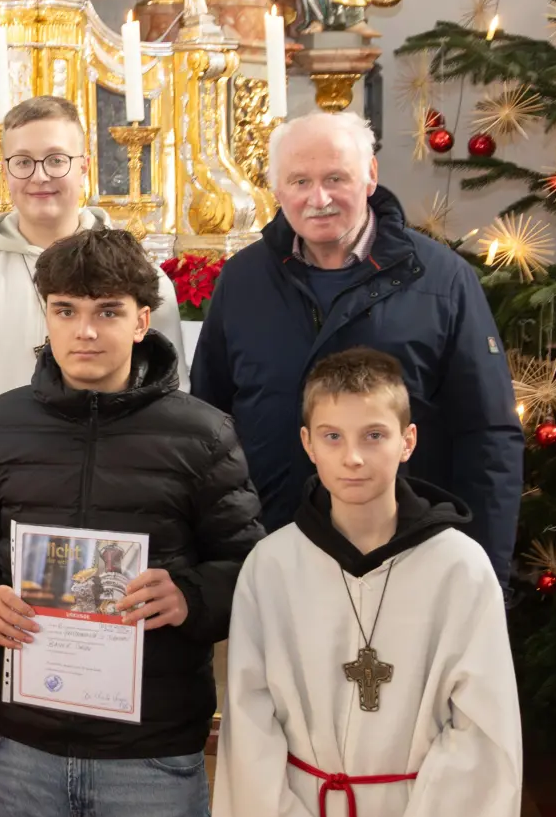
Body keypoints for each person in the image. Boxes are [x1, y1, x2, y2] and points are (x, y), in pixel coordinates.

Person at [0, 228, 263, 817]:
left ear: (143, 321)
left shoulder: (203, 434)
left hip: (150, 754)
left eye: (107, 312)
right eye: (66, 311)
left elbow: (247, 564)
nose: (84, 331)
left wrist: (189, 596)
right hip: (23, 747)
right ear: (47, 317)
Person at [0, 95, 188, 756]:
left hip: (111, 538)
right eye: (23, 161)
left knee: (108, 717)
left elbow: (171, 402)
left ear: (86, 166)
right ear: (2, 171)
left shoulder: (143, 278)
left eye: (56, 158)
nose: (41, 176)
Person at [191, 111, 522, 581]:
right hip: (271, 551)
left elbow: (487, 434)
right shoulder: (242, 280)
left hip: (409, 553)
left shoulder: (442, 279)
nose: (318, 198)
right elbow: (209, 425)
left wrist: (485, 578)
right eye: (300, 180)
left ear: (370, 176)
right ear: (277, 189)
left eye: (335, 178)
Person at [214, 348, 521, 817]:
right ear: (307, 444)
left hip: (422, 812)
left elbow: (482, 734)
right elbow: (250, 727)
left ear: (408, 440)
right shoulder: (271, 567)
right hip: (299, 810)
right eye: (332, 437)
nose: (353, 457)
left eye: (374, 435)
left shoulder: (460, 568)